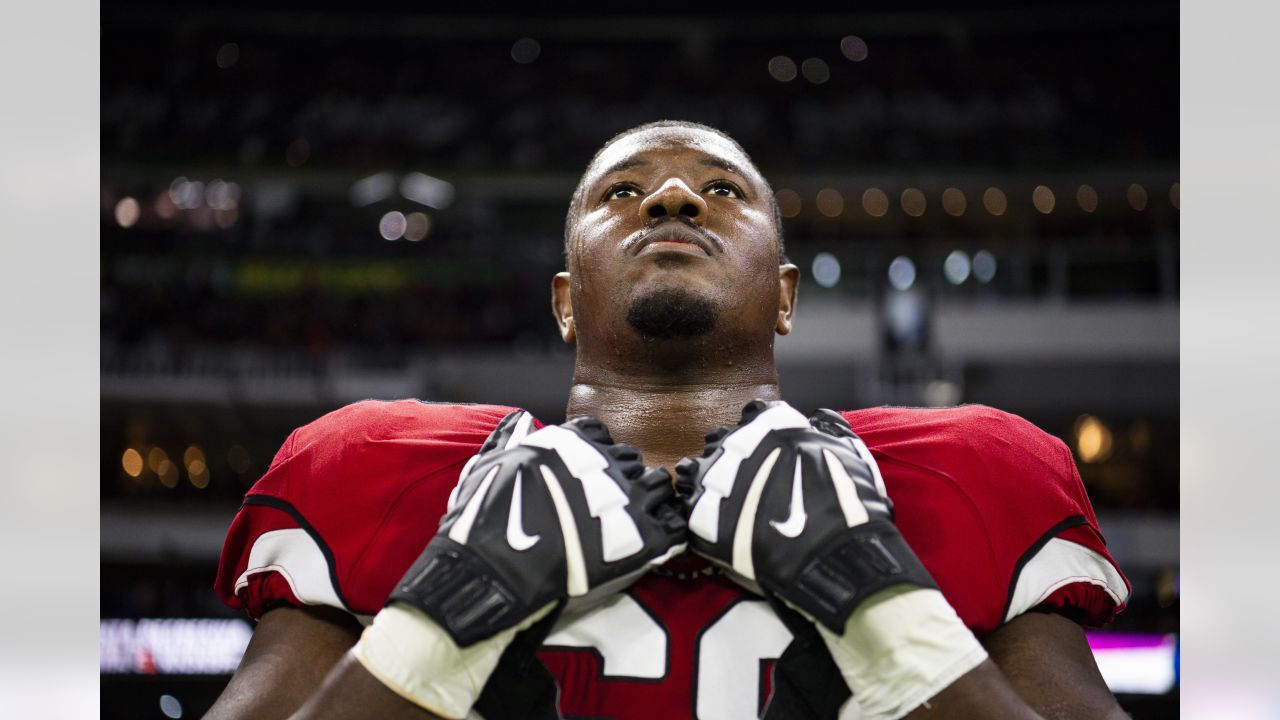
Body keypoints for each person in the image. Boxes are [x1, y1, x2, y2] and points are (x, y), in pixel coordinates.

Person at [205, 121, 1131, 720]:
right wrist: (443, 617)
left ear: (784, 297)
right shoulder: (382, 467)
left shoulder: (966, 472)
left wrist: (883, 605)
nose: (674, 198)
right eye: (622, 193)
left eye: (723, 191)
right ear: (565, 303)